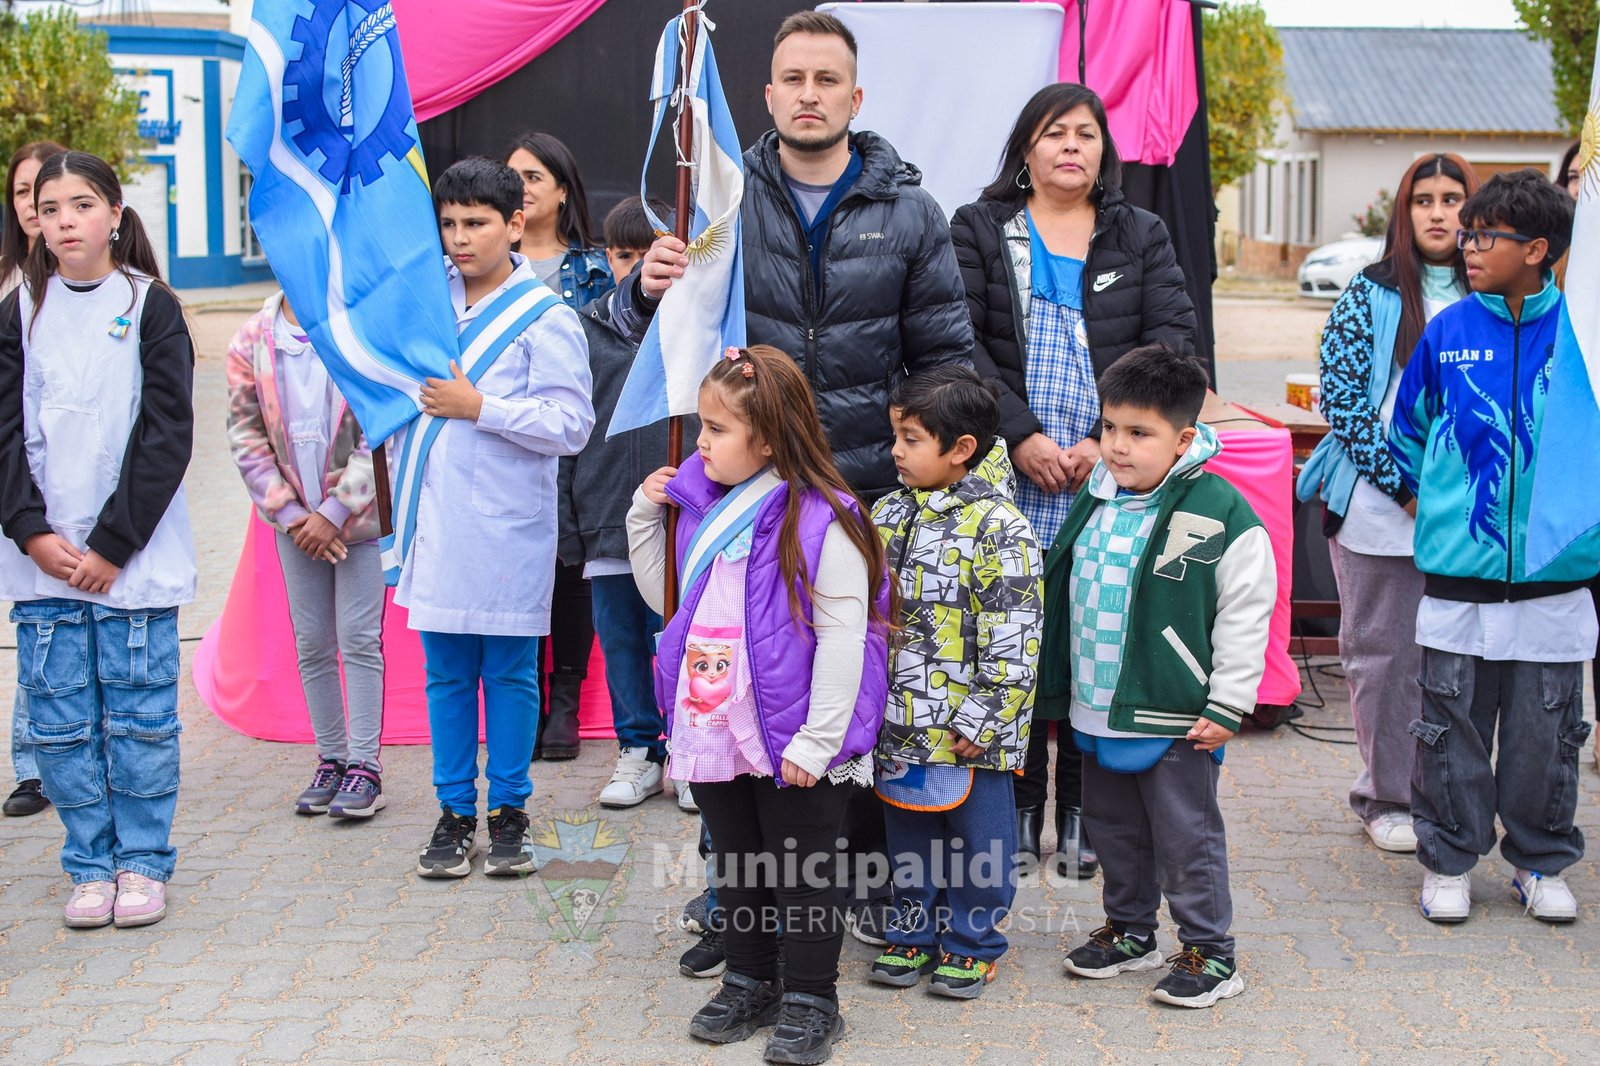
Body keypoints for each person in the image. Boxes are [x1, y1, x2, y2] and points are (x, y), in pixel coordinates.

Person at [621, 7, 973, 949]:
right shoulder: (720, 201)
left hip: (868, 492)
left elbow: (946, 359)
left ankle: (847, 890)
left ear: (855, 97)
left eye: (828, 80)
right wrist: (645, 288)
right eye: (793, 79)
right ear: (767, 93)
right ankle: (736, 900)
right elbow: (653, 331)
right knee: (732, 683)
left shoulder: (911, 212)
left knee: (851, 692)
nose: (809, 95)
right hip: (746, 500)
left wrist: (916, 468)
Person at [950, 82, 1198, 880]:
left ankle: (1089, 816)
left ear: (1103, 151)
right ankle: (1020, 810)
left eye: (1086, 134)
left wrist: (1103, 440)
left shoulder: (1140, 234)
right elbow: (956, 339)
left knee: (1098, 634)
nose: (1070, 147)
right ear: (1026, 148)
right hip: (1008, 468)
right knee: (1015, 638)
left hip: (1109, 471)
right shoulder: (980, 228)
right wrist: (1019, 433)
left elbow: (1172, 341)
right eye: (1055, 133)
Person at [628, 346, 891, 1065]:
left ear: (769, 438)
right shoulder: (699, 507)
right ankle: (750, 979)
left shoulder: (826, 519)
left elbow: (845, 637)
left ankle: (812, 998)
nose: (701, 443)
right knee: (738, 863)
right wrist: (644, 518)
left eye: (717, 429)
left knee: (802, 870)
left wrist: (818, 740)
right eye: (701, 426)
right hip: (714, 720)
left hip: (792, 733)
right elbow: (669, 603)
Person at [1389, 169, 1599, 925]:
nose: (1467, 246)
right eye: (1467, 234)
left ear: (1537, 249)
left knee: (1549, 735)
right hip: (1460, 576)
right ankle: (1449, 860)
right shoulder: (1448, 330)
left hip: (1554, 580)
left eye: (1485, 236)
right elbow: (1407, 431)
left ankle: (1540, 861)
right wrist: (1441, 509)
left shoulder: (1583, 333)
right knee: (1451, 731)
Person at [0, 150, 197, 928]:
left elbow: (166, 434)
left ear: (115, 213)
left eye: (82, 205)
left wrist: (114, 544)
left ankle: (141, 862)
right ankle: (88, 865)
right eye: (50, 209)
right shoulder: (20, 310)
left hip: (132, 562)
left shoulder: (152, 306)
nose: (65, 221)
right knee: (61, 726)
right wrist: (30, 531)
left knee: (141, 721)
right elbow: (6, 435)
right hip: (45, 563)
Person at [1044, 344, 1274, 1008]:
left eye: (1139, 433)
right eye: (1110, 427)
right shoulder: (1096, 497)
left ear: (1183, 439)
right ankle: (1130, 931)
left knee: (1185, 837)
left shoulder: (1220, 512)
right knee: (1113, 829)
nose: (1118, 446)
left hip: (1177, 712)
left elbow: (1246, 612)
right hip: (1099, 706)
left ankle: (1210, 951)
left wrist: (1229, 702)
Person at [400, 158, 593, 879]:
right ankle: (454, 812)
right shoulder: (426, 304)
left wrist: (482, 408)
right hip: (439, 523)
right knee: (446, 675)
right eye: (449, 223)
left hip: (509, 528)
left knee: (511, 675)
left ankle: (510, 810)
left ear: (514, 225)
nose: (460, 238)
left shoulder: (546, 316)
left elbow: (571, 424)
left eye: (476, 223)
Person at [1296, 154, 1477, 854]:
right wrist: (1405, 489)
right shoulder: (1368, 293)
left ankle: (1452, 792)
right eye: (1423, 200)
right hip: (1381, 512)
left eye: (1452, 198)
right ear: (1403, 213)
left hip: (1470, 516)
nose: (1438, 212)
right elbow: (1344, 403)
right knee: (1385, 658)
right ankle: (1385, 797)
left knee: (1459, 662)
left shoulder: (1493, 294)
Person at [867, 365, 1042, 999]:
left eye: (911, 439)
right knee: (908, 834)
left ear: (961, 448)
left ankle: (973, 942)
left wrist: (984, 718)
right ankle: (912, 931)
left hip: (969, 731)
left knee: (979, 843)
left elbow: (1016, 633)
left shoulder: (1001, 527)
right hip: (899, 722)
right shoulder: (888, 512)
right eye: (895, 436)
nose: (895, 451)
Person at [225, 286, 386, 818]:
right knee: (312, 640)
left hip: (357, 520)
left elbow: (382, 426)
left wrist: (335, 511)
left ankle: (365, 765)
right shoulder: (252, 338)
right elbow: (246, 435)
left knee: (359, 637)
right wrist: (293, 516)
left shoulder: (360, 327)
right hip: (294, 525)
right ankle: (332, 757)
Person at [557, 196, 676, 809]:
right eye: (624, 255)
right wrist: (568, 524)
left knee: (680, 638)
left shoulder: (696, 329)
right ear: (608, 257)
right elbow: (565, 433)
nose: (636, 266)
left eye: (648, 253)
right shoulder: (580, 330)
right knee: (622, 640)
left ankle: (688, 747)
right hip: (606, 516)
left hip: (680, 521)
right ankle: (638, 748)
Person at [505, 132, 611, 763]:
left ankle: (565, 701)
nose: (520, 188)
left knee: (571, 568)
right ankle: (526, 699)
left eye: (533, 177)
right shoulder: (486, 266)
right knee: (520, 567)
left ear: (564, 191)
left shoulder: (595, 269)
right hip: (505, 436)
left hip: (577, 435)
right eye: (512, 176)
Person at [1, 139, 66, 820]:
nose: (31, 205)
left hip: (69, 489)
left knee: (55, 625)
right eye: (22, 193)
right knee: (33, 624)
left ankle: (56, 759)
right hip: (14, 482)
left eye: (41, 193)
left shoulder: (90, 283)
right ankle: (32, 763)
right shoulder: (7, 286)